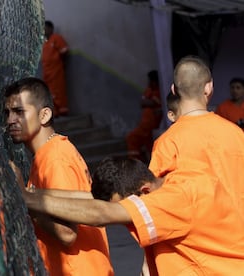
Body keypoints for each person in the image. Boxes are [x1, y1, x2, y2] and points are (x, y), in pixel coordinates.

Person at [19, 156, 244, 275]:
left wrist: (26, 199)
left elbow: (102, 213)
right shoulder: (172, 180)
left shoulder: (172, 201)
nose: (124, 219)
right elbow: (98, 201)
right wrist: (34, 193)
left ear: (144, 191)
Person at [4, 77, 113, 275]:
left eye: (19, 112)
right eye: (8, 113)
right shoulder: (48, 153)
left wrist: (23, 202)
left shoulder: (55, 158)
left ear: (44, 115)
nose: (10, 120)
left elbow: (67, 233)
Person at [148, 56, 244, 205]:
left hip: (193, 228)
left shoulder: (166, 143)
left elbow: (156, 198)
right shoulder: (237, 134)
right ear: (209, 87)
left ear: (174, 89)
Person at [126, 70, 162, 163]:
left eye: (151, 81)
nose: (149, 83)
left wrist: (148, 102)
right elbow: (143, 102)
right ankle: (138, 164)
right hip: (145, 126)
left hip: (151, 126)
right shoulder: (149, 90)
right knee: (143, 145)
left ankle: (135, 163)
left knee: (132, 138)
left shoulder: (159, 90)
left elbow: (151, 102)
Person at [42, 20, 69, 117]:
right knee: (50, 92)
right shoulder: (45, 43)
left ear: (51, 29)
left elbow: (64, 51)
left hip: (56, 71)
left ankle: (63, 111)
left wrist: (62, 64)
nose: (44, 31)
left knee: (59, 90)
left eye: (45, 28)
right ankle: (55, 112)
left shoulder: (56, 38)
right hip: (47, 72)